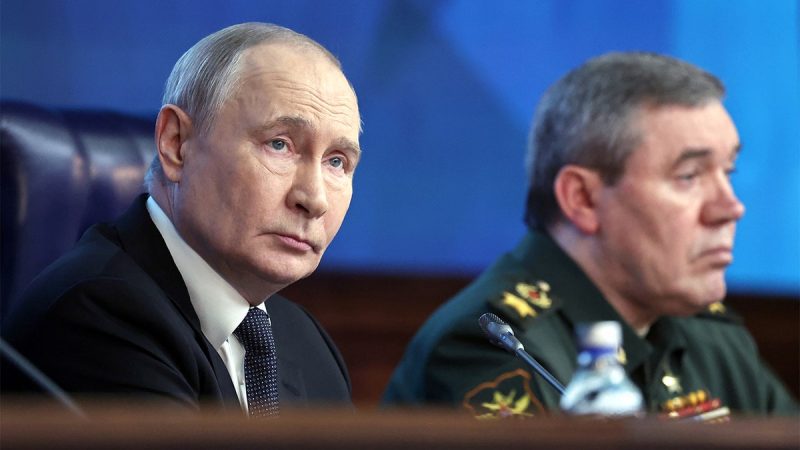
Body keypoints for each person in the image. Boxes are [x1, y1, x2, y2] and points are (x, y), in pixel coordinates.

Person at [382, 52, 798, 417]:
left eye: (728, 172)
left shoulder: (710, 336)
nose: (730, 208)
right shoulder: (495, 345)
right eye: (688, 176)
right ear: (582, 198)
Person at [2, 22, 361, 416]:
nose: (314, 199)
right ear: (176, 144)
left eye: (336, 162)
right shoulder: (99, 316)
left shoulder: (308, 345)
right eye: (279, 144)